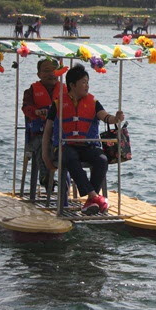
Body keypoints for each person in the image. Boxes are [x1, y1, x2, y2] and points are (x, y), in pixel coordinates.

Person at [42, 64, 124, 215]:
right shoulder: (58, 103)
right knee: (69, 156)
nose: (87, 85)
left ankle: (89, 202)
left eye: (87, 82)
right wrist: (45, 156)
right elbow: (47, 130)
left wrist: (116, 118)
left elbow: (105, 116)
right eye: (83, 82)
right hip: (65, 147)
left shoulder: (93, 102)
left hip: (88, 147)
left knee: (101, 159)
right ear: (72, 85)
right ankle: (94, 196)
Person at [22, 59, 67, 190]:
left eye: (54, 70)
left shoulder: (66, 90)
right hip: (37, 137)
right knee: (44, 143)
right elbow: (26, 108)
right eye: (46, 71)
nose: (51, 74)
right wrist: (36, 111)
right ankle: (45, 178)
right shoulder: (31, 91)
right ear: (39, 74)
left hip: (60, 136)